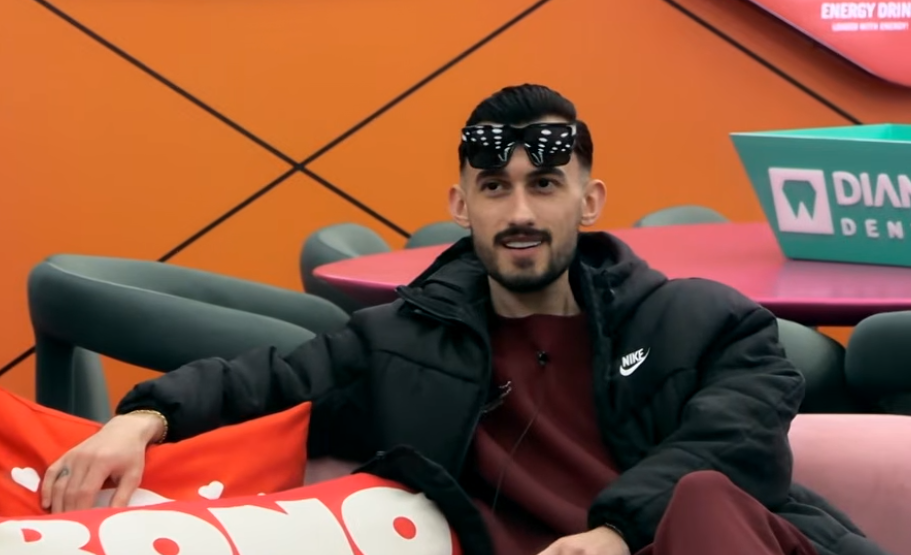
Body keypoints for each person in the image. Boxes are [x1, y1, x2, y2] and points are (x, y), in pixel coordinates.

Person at [41, 84, 887, 555]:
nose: (519, 212)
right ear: (460, 205)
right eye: (494, 188)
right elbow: (266, 379)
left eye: (543, 185)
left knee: (698, 499)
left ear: (588, 200)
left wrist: (613, 532)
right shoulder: (398, 343)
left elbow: (733, 440)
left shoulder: (699, 321)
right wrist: (140, 419)